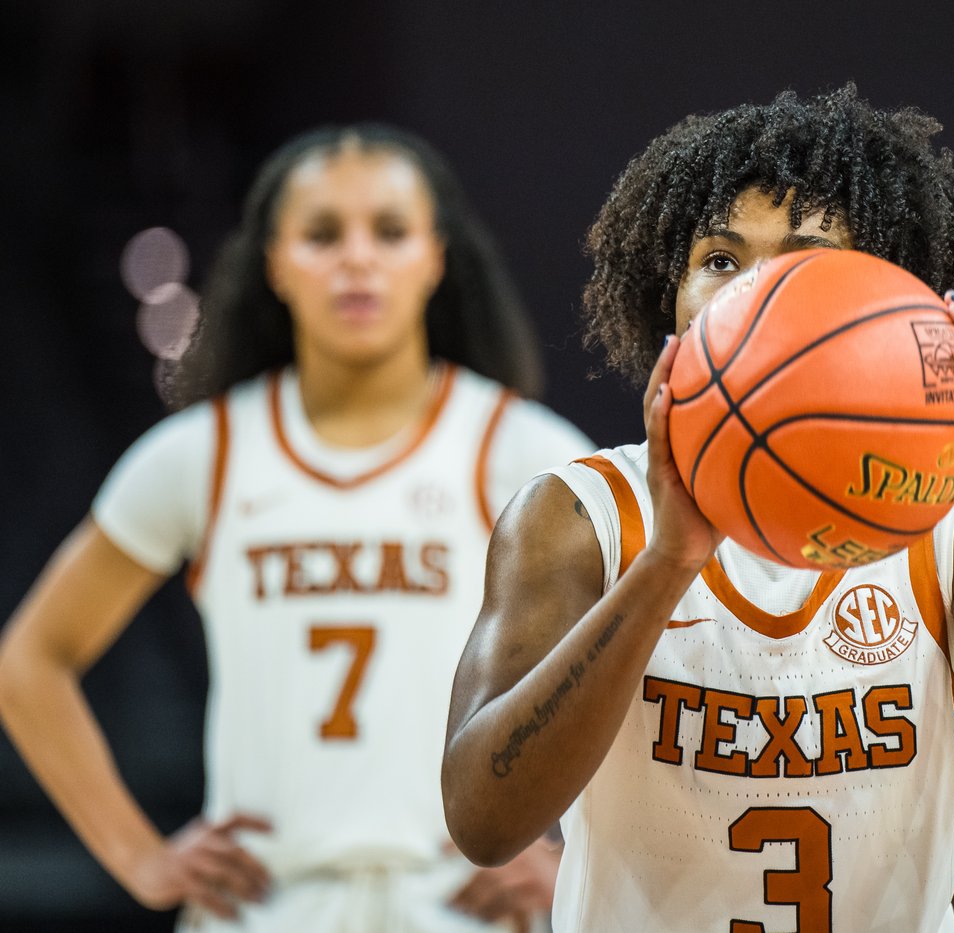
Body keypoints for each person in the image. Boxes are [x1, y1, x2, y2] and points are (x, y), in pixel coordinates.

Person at [441, 86, 954, 932]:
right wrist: (666, 565)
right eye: (720, 260)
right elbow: (483, 823)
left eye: (802, 261)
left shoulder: (952, 521)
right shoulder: (579, 515)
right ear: (672, 298)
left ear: (874, 299)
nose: (749, 293)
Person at [0, 123, 592, 932]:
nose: (356, 257)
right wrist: (140, 858)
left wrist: (572, 852)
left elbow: (654, 655)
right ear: (272, 261)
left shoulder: (521, 448)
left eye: (388, 231)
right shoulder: (201, 454)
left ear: (436, 256)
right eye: (321, 234)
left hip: (462, 906)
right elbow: (28, 662)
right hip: (262, 907)